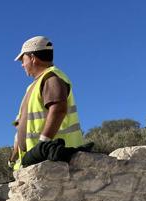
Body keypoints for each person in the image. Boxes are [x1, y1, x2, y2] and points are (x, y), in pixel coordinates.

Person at [9, 36, 87, 170]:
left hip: (56, 159)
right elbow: (21, 125)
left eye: (23, 60)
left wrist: (43, 144)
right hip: (38, 159)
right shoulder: (32, 87)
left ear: (32, 57)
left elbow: (58, 109)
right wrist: (14, 156)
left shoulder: (52, 77)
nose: (22, 64)